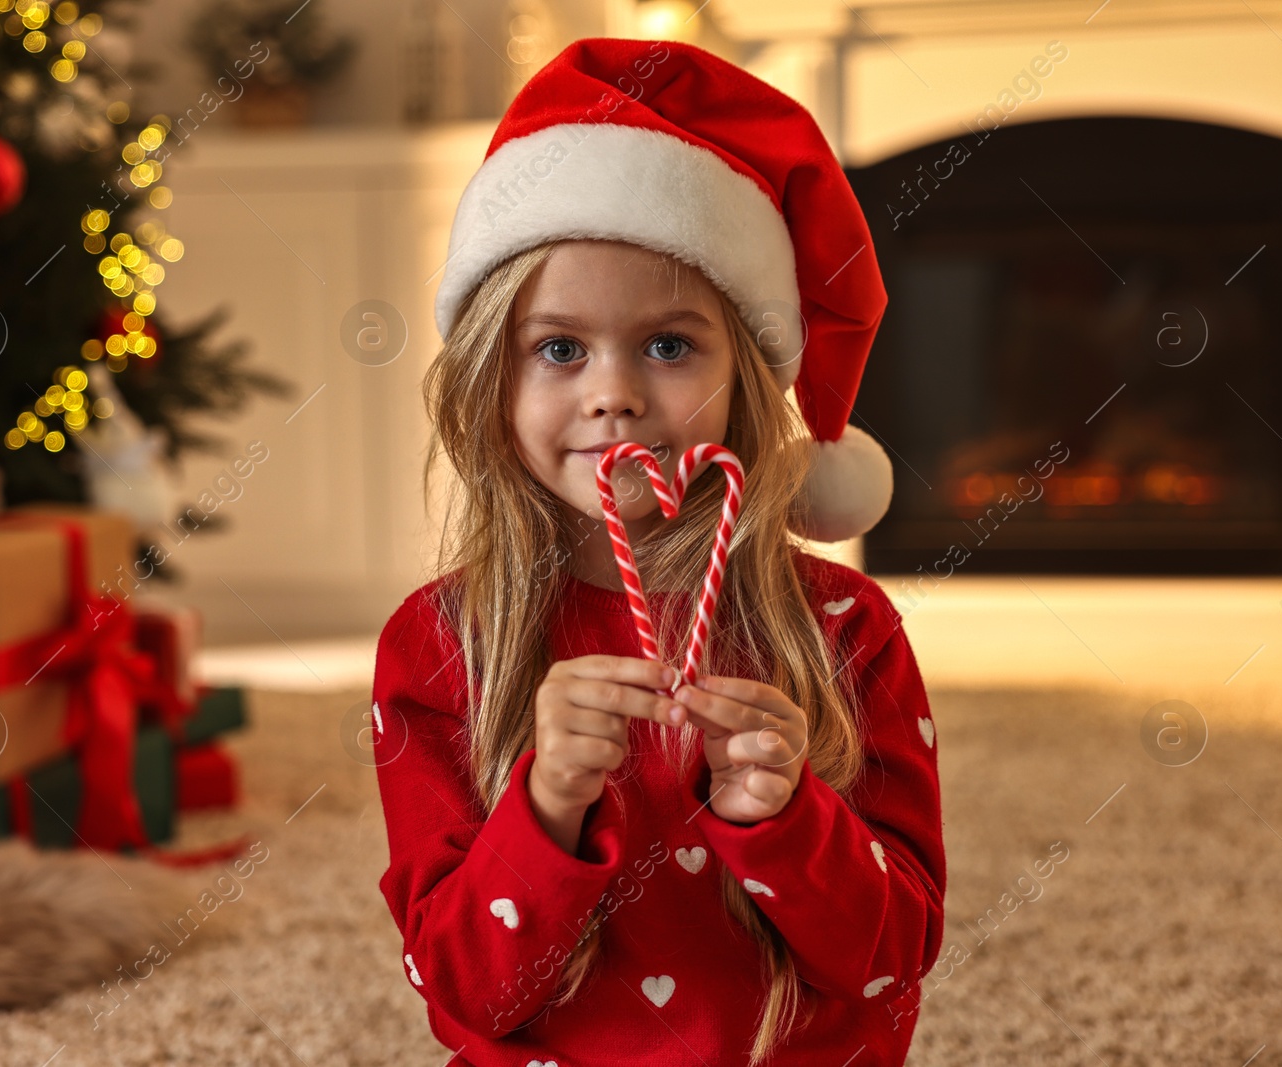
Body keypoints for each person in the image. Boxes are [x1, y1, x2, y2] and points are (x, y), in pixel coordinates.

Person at [371, 37, 944, 1067]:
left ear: (745, 376)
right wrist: (544, 807)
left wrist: (787, 819)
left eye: (670, 345)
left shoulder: (845, 630)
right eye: (558, 348)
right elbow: (465, 990)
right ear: (489, 382)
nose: (613, 393)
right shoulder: (440, 642)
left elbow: (891, 957)